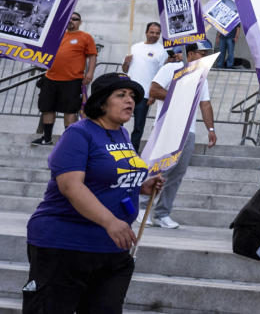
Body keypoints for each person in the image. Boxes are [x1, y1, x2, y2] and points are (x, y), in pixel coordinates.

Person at [23, 71, 164, 313]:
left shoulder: (122, 133)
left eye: (132, 96)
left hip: (111, 250)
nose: (130, 100)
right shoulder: (78, 133)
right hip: (65, 245)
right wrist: (110, 221)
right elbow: (71, 186)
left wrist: (140, 186)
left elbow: (107, 178)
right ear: (101, 102)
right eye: (121, 95)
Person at [146, 41, 217, 229]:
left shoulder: (202, 75)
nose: (204, 57)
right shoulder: (172, 68)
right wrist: (179, 94)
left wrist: (211, 129)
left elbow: (205, 103)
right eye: (202, 53)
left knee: (177, 173)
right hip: (167, 127)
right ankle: (141, 204)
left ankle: (162, 214)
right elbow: (154, 90)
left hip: (189, 130)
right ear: (191, 54)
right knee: (160, 169)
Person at [32, 12, 97, 146]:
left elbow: (92, 56)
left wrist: (90, 73)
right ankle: (47, 138)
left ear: (80, 22)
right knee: (47, 108)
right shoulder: (56, 35)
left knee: (70, 110)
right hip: (50, 78)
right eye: (69, 18)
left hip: (72, 80)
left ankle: (68, 141)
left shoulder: (86, 37)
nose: (71, 21)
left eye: (75, 19)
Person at [121, 21, 164, 151]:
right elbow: (124, 69)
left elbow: (161, 75)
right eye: (152, 32)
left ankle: (133, 152)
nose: (154, 35)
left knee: (138, 126)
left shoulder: (162, 51)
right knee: (119, 122)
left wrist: (153, 94)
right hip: (129, 92)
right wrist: (126, 62)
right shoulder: (134, 47)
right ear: (146, 32)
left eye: (157, 33)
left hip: (145, 95)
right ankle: (118, 147)